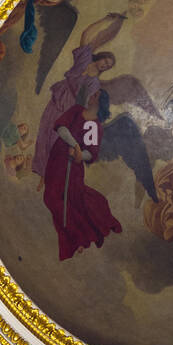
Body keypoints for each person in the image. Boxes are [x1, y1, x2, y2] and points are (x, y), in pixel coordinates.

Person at [31, 11, 125, 181]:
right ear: (101, 57)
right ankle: (40, 168)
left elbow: (88, 102)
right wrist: (105, 19)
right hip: (59, 95)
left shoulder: (95, 83)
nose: (105, 65)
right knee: (45, 129)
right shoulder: (85, 57)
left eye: (109, 66)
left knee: (55, 137)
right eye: (106, 61)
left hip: (69, 105)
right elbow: (86, 34)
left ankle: (49, 173)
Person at [40, 94, 122, 261]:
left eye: (96, 95)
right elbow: (61, 127)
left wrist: (80, 155)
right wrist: (75, 145)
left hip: (73, 166)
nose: (91, 95)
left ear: (99, 103)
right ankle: (77, 236)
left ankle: (75, 238)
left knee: (69, 199)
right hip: (58, 159)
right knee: (51, 197)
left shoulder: (95, 126)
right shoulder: (77, 110)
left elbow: (91, 153)